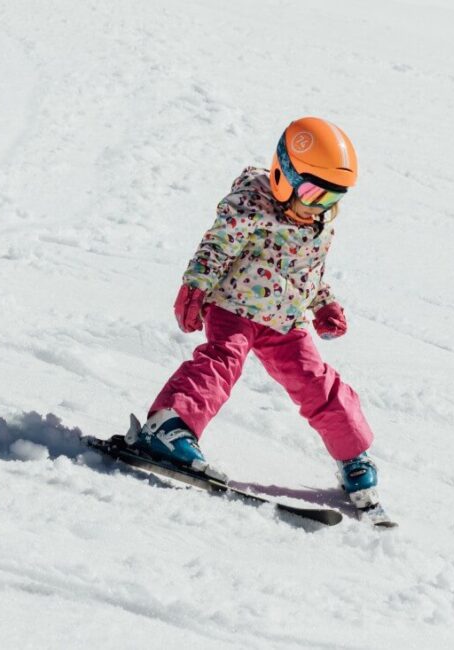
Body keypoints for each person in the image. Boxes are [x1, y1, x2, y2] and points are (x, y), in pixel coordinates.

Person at [128, 117, 380, 510]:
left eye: (333, 198)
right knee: (220, 363)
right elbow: (216, 247)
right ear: (285, 173)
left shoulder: (319, 222)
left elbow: (309, 271)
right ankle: (169, 426)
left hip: (286, 321)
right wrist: (195, 286)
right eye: (314, 193)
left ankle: (353, 455)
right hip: (234, 306)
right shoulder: (252, 204)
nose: (319, 207)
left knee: (317, 382)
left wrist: (323, 302)